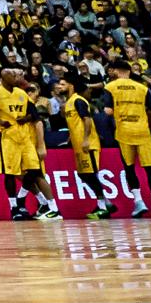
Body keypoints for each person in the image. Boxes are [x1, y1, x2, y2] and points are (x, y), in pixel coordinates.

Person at [94, 59, 151, 220]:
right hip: (143, 132)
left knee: (129, 168)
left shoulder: (110, 87)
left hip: (124, 131)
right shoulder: (142, 88)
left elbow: (109, 111)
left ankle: (139, 202)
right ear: (129, 71)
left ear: (116, 71)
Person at [0, 67, 55, 220]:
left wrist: (41, 145)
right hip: (15, 143)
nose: (18, 77)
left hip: (30, 145)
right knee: (22, 175)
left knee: (36, 175)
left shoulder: (28, 102)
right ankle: (42, 203)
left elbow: (38, 123)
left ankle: (50, 206)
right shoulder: (3, 97)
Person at [56, 69, 104, 215]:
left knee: (90, 174)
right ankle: (105, 204)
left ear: (71, 86)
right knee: (83, 175)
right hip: (78, 145)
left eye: (62, 84)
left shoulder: (78, 100)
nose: (59, 87)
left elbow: (87, 120)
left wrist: (85, 140)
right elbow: (75, 124)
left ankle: (102, 206)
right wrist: (70, 139)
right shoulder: (69, 103)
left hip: (88, 145)